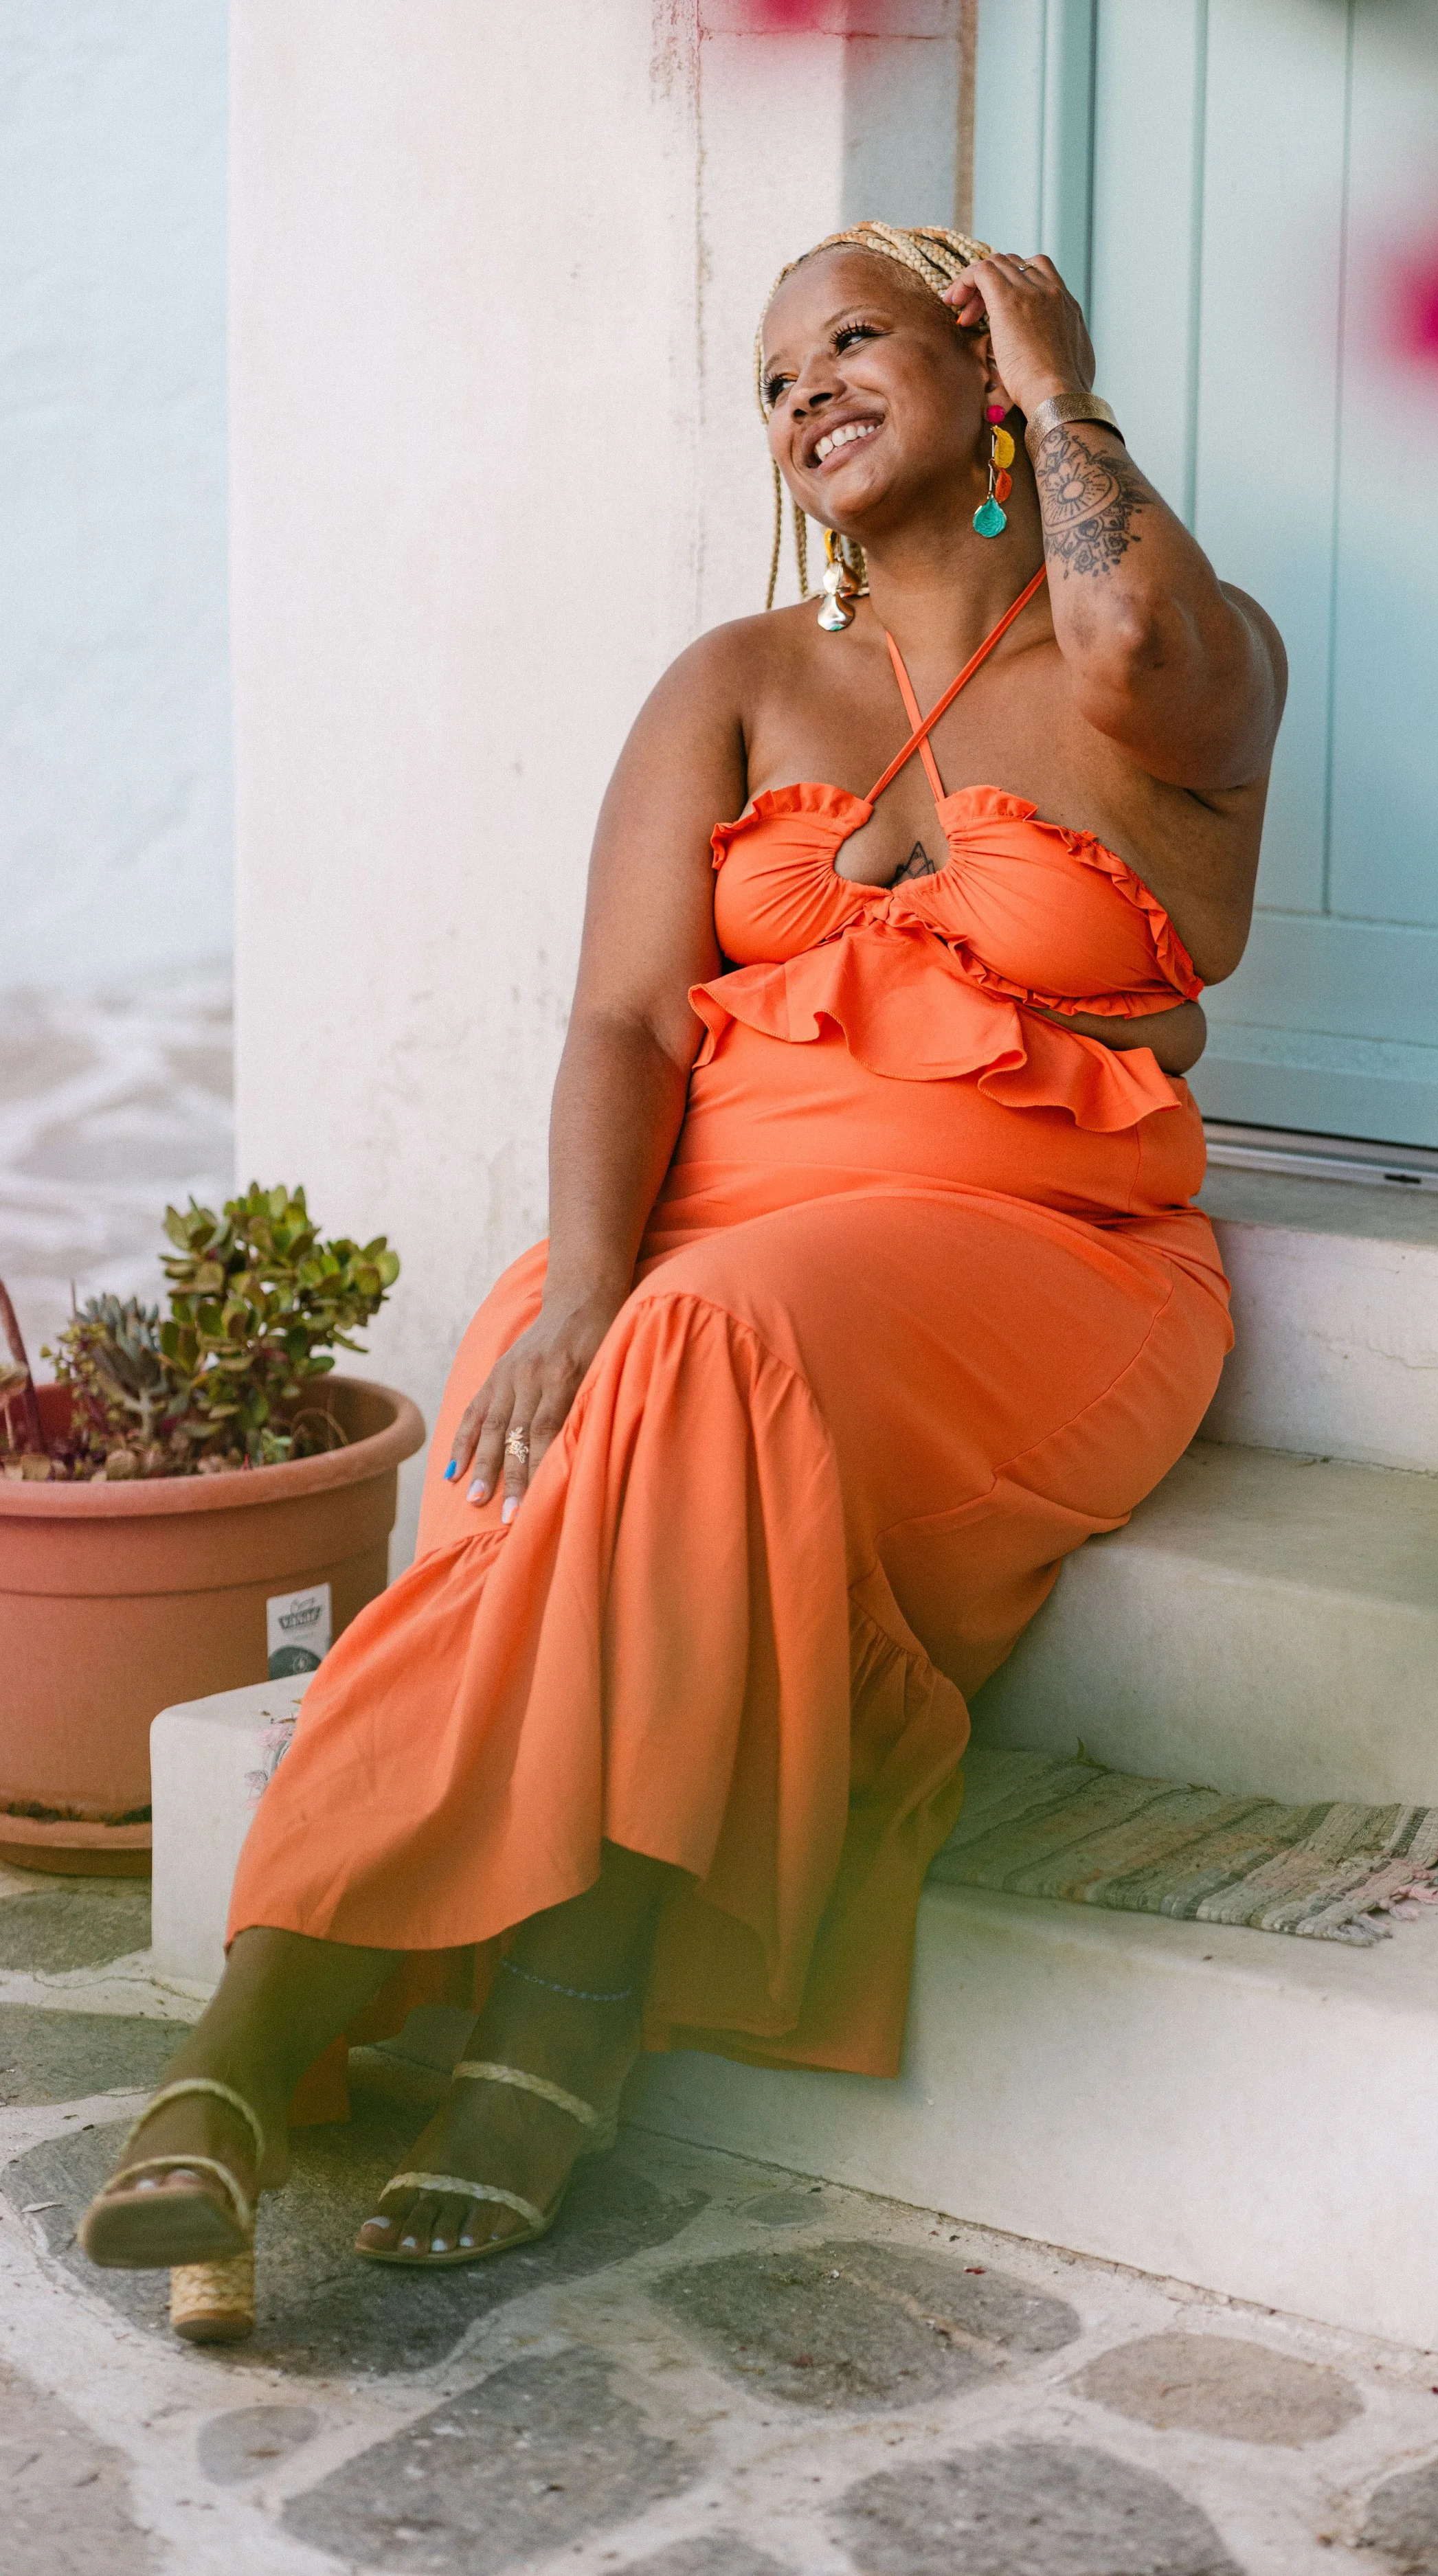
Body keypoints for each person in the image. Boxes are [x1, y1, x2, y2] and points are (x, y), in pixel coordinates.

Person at [79, 221, 1285, 2338]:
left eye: (855, 342)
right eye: (767, 377)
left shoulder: (1158, 650)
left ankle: (292, 2040)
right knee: (567, 1408)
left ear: (980, 361)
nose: (804, 388)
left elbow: (1145, 660)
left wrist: (1060, 381)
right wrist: (572, 1290)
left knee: (699, 1352)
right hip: (691, 1242)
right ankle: (472, 2021)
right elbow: (628, 1024)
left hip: (1040, 1259)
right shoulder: (730, 685)